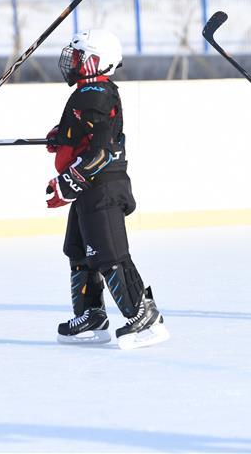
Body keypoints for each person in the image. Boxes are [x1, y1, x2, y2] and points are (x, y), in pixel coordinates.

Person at [44, 28, 169, 350]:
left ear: (95, 61)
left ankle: (144, 316)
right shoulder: (91, 92)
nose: (71, 62)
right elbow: (86, 135)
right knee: (78, 251)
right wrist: (64, 137)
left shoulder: (95, 93)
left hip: (101, 188)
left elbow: (101, 151)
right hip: (90, 189)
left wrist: (67, 184)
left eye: (78, 56)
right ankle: (91, 316)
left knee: (109, 254)